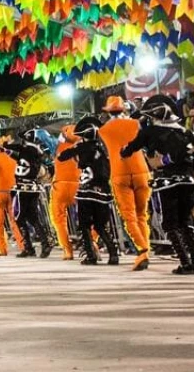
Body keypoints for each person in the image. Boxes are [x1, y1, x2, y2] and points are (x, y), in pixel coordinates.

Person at [121, 96, 194, 275]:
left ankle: (184, 262)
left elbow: (130, 148)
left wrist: (162, 161)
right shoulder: (185, 131)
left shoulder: (150, 131)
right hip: (187, 181)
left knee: (170, 222)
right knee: (186, 221)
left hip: (168, 182)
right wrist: (189, 169)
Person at [98, 96, 152, 271]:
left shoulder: (103, 130)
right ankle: (146, 251)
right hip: (141, 170)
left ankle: (142, 249)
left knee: (129, 216)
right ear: (124, 109)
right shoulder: (136, 124)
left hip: (119, 172)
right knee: (142, 214)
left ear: (107, 111)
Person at [58, 117, 119, 266]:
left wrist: (77, 147)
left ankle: (90, 256)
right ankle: (113, 254)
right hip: (104, 192)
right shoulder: (102, 149)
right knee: (100, 225)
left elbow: (61, 157)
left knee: (84, 225)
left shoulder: (83, 147)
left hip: (87, 191)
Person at [3, 130, 54, 258]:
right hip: (33, 188)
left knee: (19, 218)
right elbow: (18, 156)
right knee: (33, 217)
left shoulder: (26, 149)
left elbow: (13, 148)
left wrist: (5, 145)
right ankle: (45, 243)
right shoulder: (37, 152)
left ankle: (29, 247)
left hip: (23, 188)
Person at [50, 123, 82, 260]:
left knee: (59, 220)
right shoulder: (82, 147)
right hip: (79, 185)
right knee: (89, 219)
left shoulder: (57, 147)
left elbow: (40, 135)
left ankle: (67, 250)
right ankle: (91, 243)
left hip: (60, 186)